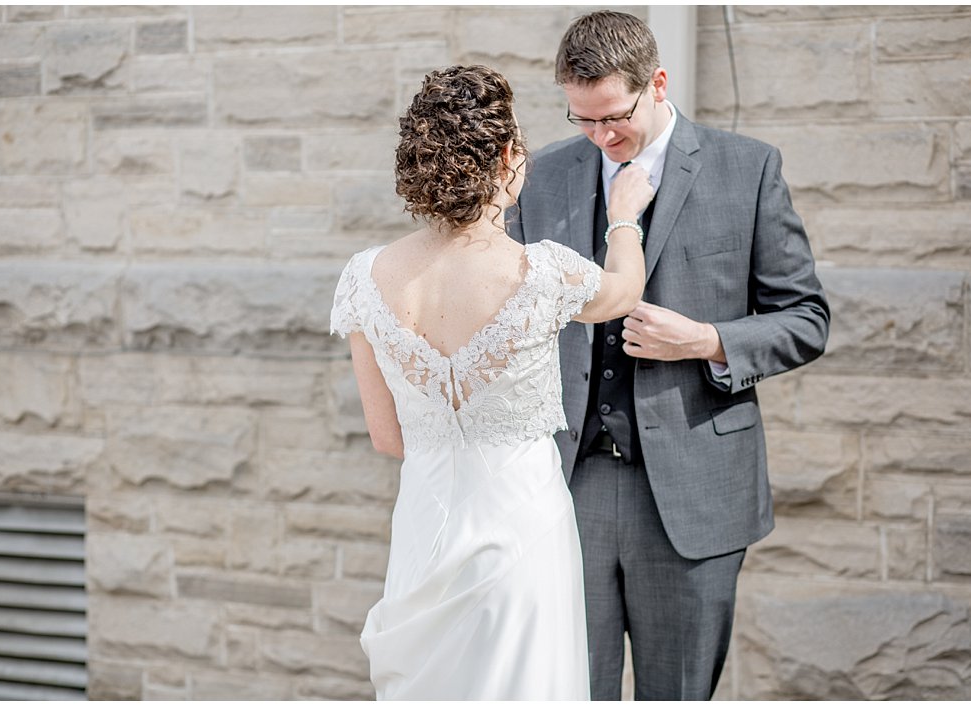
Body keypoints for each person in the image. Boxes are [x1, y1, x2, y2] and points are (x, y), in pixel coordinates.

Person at [507, 11, 831, 701]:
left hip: (695, 486)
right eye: (582, 120)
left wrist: (707, 341)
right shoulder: (541, 178)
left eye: (614, 117)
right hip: (569, 486)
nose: (600, 136)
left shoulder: (748, 168)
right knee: (565, 689)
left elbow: (806, 319)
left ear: (656, 82)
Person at [330, 65, 655, 700]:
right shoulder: (543, 273)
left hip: (426, 530)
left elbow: (387, 436)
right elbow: (625, 292)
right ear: (507, 157)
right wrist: (624, 217)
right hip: (522, 527)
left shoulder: (365, 277)